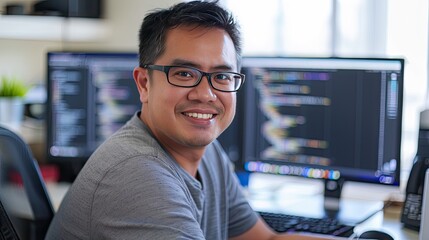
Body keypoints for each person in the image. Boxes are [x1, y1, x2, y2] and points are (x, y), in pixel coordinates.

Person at [46, 1, 345, 239]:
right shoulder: (137, 174)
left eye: (222, 76)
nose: (206, 94)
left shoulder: (208, 153)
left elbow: (264, 239)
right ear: (144, 84)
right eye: (184, 74)